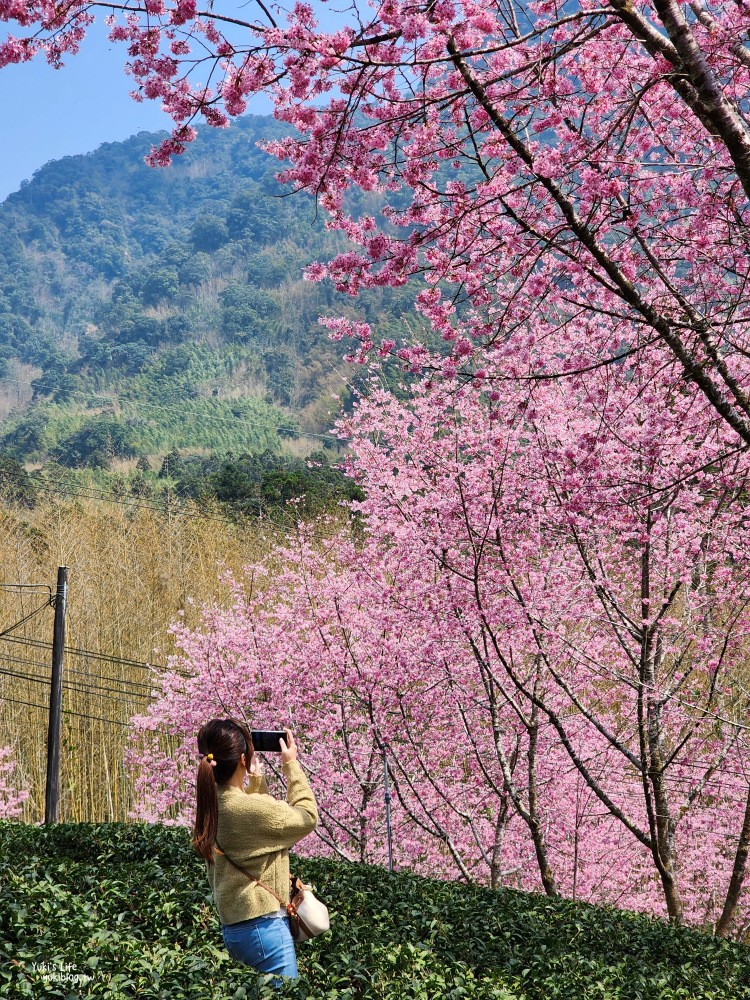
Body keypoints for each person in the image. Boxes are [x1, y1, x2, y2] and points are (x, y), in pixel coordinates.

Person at [192, 718, 318, 981]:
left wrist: (256, 783)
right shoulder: (249, 810)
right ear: (242, 759)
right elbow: (307, 816)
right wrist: (291, 766)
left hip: (235, 930)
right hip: (265, 929)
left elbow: (254, 831)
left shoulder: (211, 803)